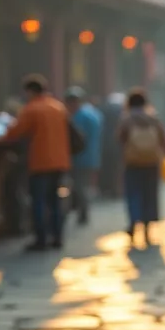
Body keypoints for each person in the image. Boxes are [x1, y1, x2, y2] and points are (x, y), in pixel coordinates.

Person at [6, 74, 72, 251]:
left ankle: (41, 239)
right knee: (55, 201)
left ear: (30, 91)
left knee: (39, 202)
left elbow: (14, 132)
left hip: (40, 162)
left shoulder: (31, 109)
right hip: (59, 161)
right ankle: (57, 237)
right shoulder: (58, 107)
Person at [117, 87, 165, 247]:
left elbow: (119, 139)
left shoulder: (126, 119)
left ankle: (134, 222)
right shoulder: (153, 118)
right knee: (150, 195)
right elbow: (164, 139)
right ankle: (148, 230)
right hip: (152, 162)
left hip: (132, 162)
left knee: (133, 194)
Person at [65, 87, 103, 226]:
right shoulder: (93, 113)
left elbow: (76, 138)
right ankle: (82, 212)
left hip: (80, 157)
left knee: (80, 187)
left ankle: (83, 213)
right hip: (92, 156)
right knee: (84, 186)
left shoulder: (79, 117)